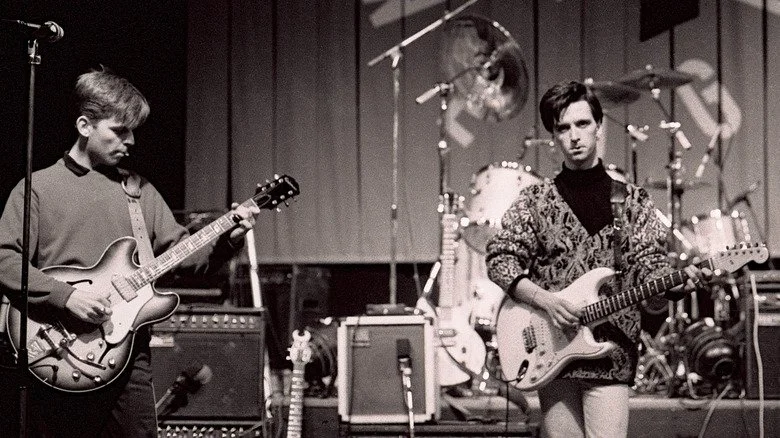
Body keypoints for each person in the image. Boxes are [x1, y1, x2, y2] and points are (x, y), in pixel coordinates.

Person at [0, 68, 261, 437]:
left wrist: (228, 238)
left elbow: (184, 259)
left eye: (133, 131)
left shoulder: (138, 191)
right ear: (85, 125)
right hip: (54, 350)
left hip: (127, 358)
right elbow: (5, 260)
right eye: (119, 130)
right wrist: (67, 296)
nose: (131, 140)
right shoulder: (37, 188)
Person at [485, 80, 714, 438]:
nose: (574, 136)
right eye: (563, 128)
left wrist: (676, 284)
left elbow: (649, 267)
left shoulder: (632, 201)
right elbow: (500, 259)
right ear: (554, 137)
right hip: (553, 352)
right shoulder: (536, 201)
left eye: (582, 124)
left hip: (612, 355)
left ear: (598, 126)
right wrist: (544, 299)